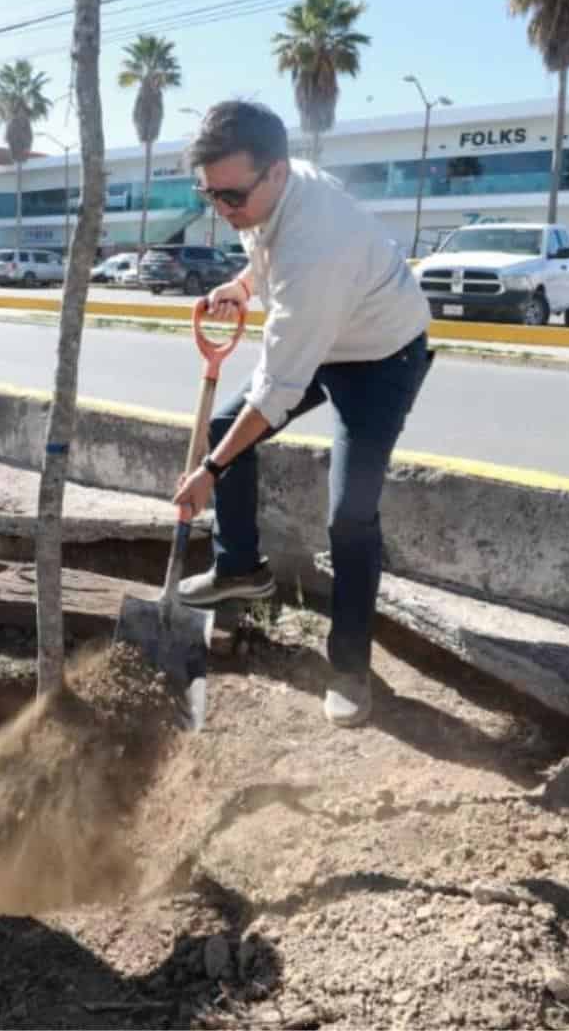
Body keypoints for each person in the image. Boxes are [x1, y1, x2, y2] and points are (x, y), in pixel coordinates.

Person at [169, 101, 433, 727]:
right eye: (208, 196)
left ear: (278, 173)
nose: (222, 210)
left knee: (349, 516)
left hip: (380, 358)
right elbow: (265, 248)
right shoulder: (264, 192)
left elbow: (275, 392)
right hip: (325, 337)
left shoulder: (318, 250)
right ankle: (240, 568)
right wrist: (242, 286)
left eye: (231, 196)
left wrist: (208, 471)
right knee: (220, 424)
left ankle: (349, 668)